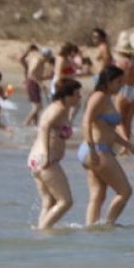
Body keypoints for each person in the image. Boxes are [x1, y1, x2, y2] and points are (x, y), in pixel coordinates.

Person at [81, 66, 134, 227]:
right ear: (108, 82)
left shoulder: (107, 98)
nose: (121, 85)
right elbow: (85, 122)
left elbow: (110, 132)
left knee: (98, 196)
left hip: (97, 149)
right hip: (97, 150)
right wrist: (93, 149)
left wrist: (131, 147)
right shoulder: (99, 97)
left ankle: (91, 230)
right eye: (118, 82)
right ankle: (107, 225)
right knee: (125, 192)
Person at [28, 78, 82, 229]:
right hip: (45, 159)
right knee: (65, 202)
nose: (79, 97)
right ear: (67, 95)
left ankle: (42, 238)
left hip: (35, 159)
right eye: (77, 94)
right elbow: (44, 126)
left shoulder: (58, 107)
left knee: (49, 201)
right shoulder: (59, 109)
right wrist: (46, 154)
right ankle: (43, 230)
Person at [113, 44, 134, 142]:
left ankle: (125, 141)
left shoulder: (120, 62)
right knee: (128, 121)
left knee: (118, 120)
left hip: (124, 89)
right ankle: (127, 145)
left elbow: (117, 78)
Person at [20, 44, 52, 127]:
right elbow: (31, 75)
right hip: (32, 83)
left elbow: (37, 76)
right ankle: (25, 123)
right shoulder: (37, 61)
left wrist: (47, 77)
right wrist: (40, 84)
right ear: (46, 56)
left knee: (36, 106)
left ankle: (35, 125)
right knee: (38, 107)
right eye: (48, 57)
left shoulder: (40, 61)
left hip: (34, 83)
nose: (48, 60)